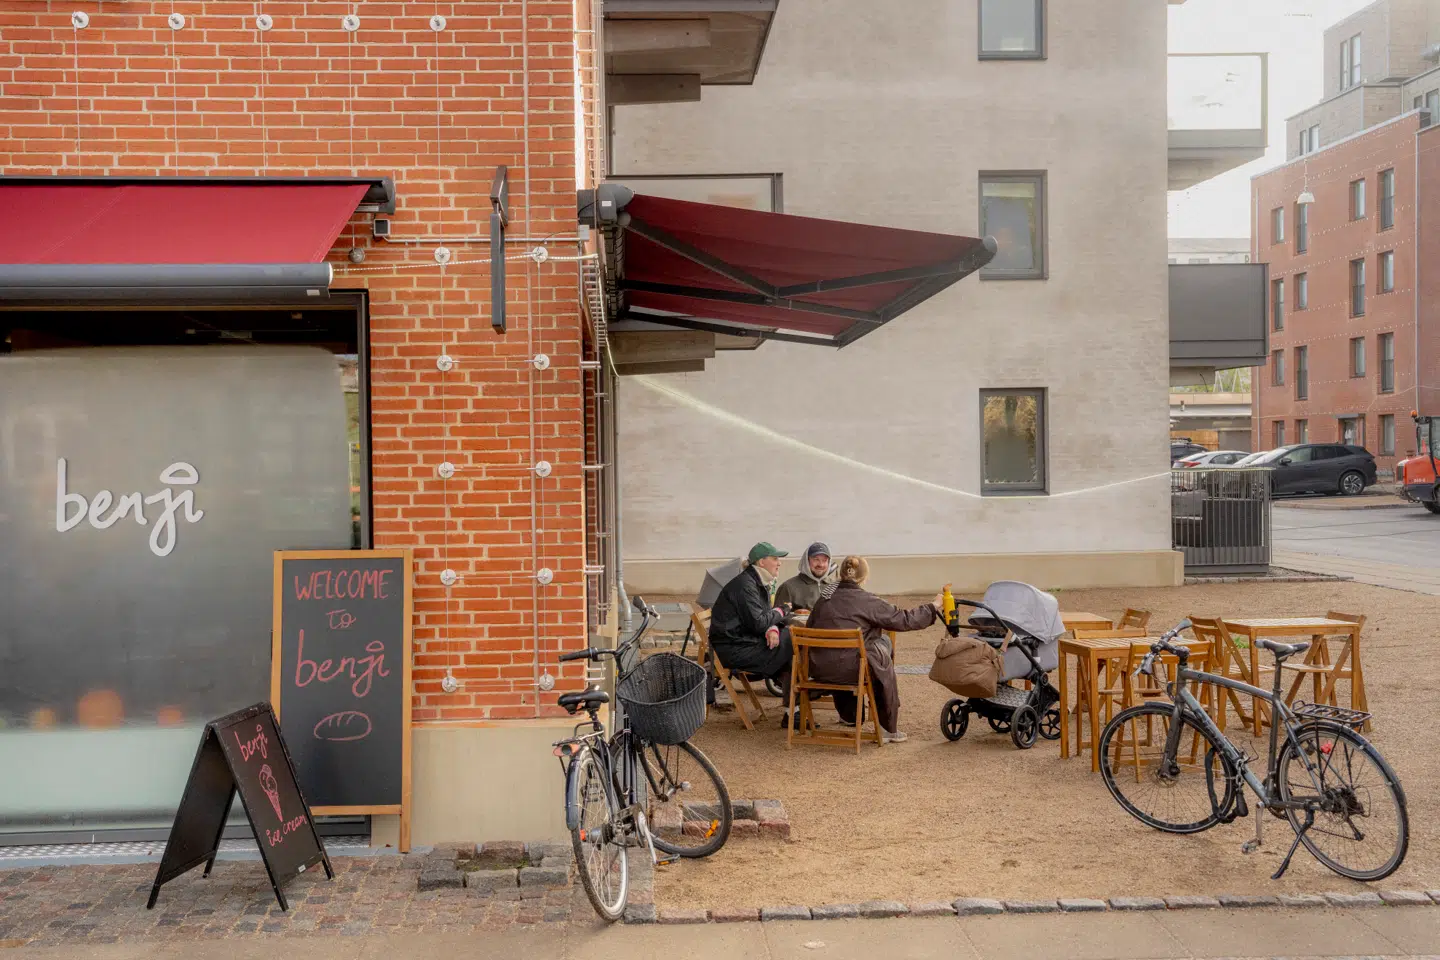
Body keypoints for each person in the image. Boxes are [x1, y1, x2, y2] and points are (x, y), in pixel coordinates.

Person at [804, 555, 942, 743]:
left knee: (846, 651)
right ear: (864, 578)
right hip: (853, 670)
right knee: (880, 649)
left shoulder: (824, 599)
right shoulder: (866, 600)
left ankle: (849, 714)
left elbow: (810, 628)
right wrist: (932, 607)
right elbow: (904, 619)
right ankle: (886, 726)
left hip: (818, 668)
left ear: (840, 574)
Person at [707, 542, 796, 722]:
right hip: (735, 650)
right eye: (775, 559)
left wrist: (772, 628)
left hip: (741, 642)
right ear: (761, 562)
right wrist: (781, 611)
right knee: (793, 643)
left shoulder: (754, 581)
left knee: (789, 641)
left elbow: (761, 617)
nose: (779, 563)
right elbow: (758, 622)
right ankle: (795, 710)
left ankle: (793, 712)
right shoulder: (746, 585)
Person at [775, 542, 832, 613]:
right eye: (816, 559)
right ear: (806, 561)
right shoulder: (788, 587)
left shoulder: (836, 587)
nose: (821, 564)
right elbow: (778, 618)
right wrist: (799, 618)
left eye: (824, 560)